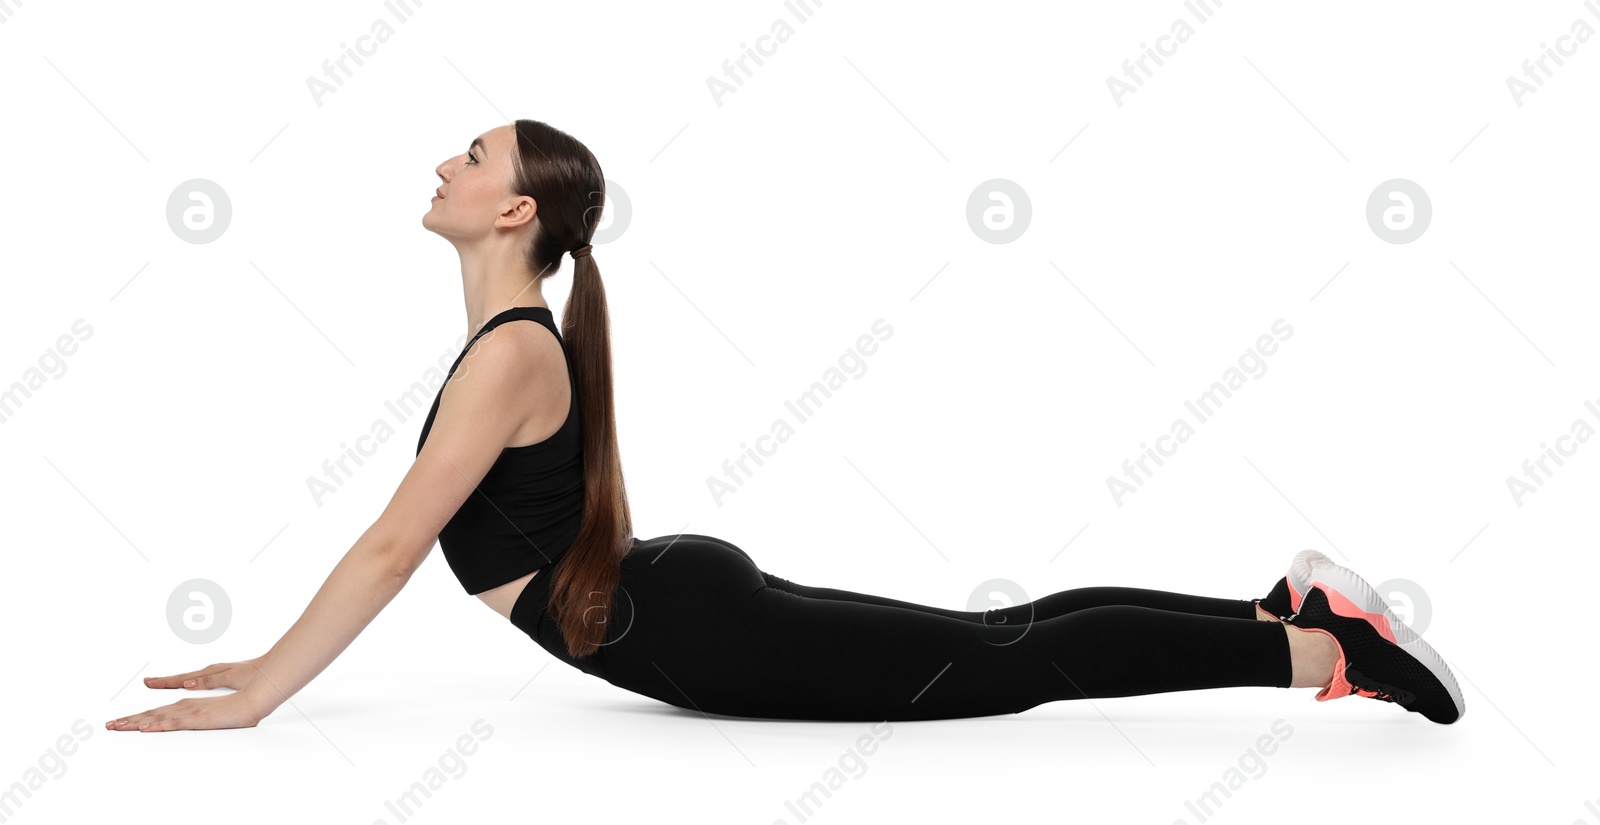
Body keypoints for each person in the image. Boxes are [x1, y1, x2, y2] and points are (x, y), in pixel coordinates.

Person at [105, 121, 1465, 732]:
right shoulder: (510, 341)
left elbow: (396, 543)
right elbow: (412, 540)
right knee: (996, 641)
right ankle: (1274, 609)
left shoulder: (508, 354)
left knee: (1005, 669)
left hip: (687, 622)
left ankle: (1318, 652)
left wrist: (269, 685)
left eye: (471, 157)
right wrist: (269, 668)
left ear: (516, 211)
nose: (444, 163)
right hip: (673, 604)